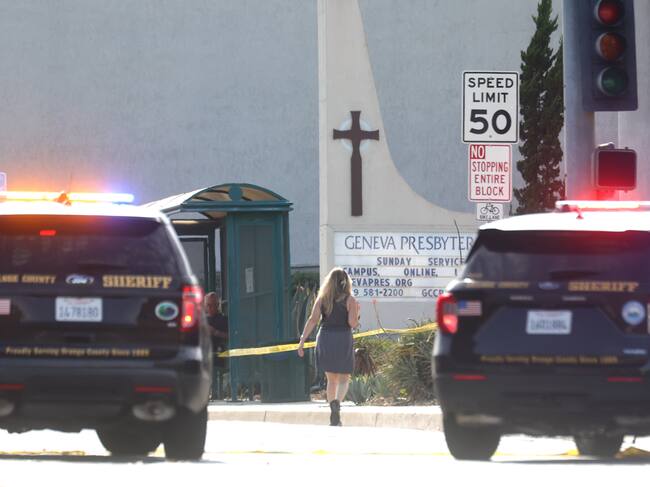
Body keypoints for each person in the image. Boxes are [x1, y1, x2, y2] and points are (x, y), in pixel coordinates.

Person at [297, 268, 360, 426]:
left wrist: (302, 340)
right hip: (343, 338)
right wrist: (357, 314)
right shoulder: (350, 300)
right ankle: (337, 404)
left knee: (331, 380)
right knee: (344, 378)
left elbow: (312, 320)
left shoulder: (322, 299)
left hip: (325, 338)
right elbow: (353, 323)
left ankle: (333, 407)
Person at [204, 291, 229, 361]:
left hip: (218, 355)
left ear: (217, 305)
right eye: (208, 305)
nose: (209, 308)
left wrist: (215, 332)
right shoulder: (203, 320)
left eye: (212, 305)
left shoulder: (224, 320)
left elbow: (231, 336)